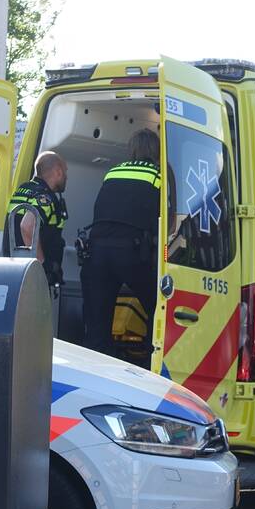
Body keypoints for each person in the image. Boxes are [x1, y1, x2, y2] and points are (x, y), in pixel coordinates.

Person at [81, 129, 161, 361]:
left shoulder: (113, 172)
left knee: (97, 321)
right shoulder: (158, 175)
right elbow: (166, 219)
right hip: (132, 251)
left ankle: (98, 371)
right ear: (155, 150)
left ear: (132, 148)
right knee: (157, 308)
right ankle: (149, 362)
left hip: (97, 252)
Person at [7, 150, 69, 292]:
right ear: (58, 172)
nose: (67, 177)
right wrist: (41, 266)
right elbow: (27, 226)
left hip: (15, 269)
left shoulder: (23, 189)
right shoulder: (45, 197)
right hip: (31, 277)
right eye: (65, 172)